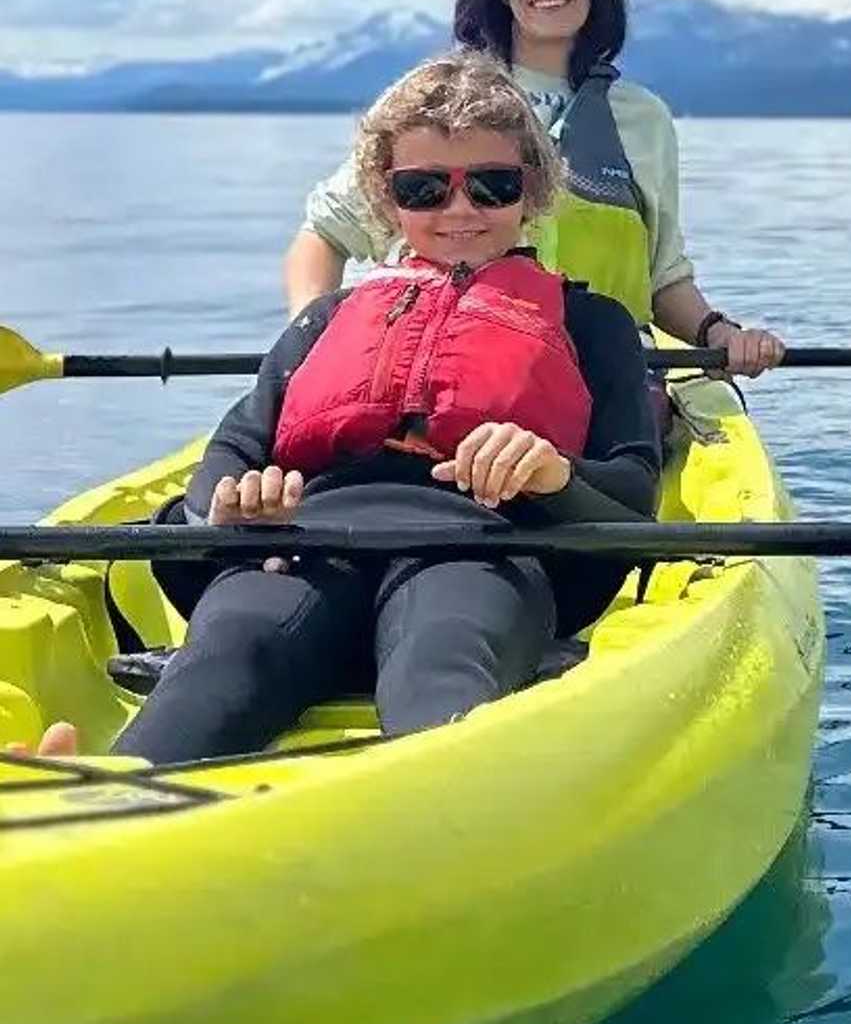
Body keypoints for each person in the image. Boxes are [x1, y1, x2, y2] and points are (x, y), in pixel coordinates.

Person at [32, 51, 662, 765]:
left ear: (532, 190)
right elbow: (231, 450)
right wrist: (232, 505)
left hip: (481, 549)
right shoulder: (329, 318)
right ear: (388, 200)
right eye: (425, 189)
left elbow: (634, 498)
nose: (460, 210)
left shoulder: (592, 323)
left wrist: (553, 475)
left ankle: (450, 814)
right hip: (297, 549)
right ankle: (98, 798)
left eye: (491, 185)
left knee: (441, 664)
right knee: (226, 654)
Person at [283, 0, 784, 377]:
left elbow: (662, 278)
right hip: (448, 375)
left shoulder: (643, 119)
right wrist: (311, 342)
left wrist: (718, 332)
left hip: (609, 388)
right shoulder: (438, 100)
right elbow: (325, 234)